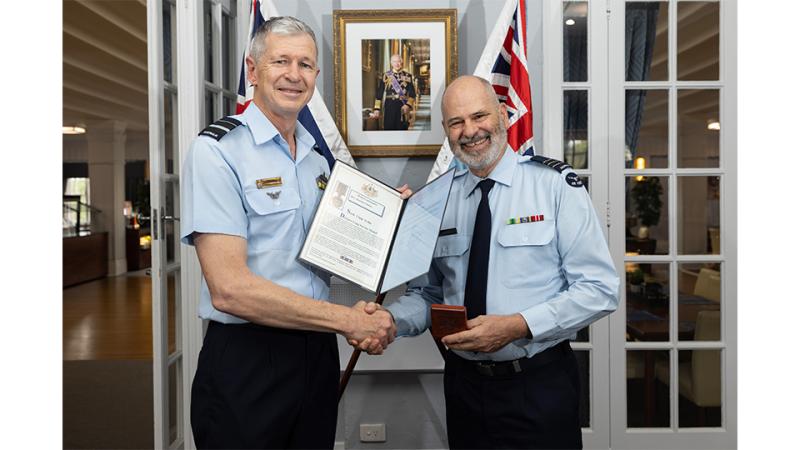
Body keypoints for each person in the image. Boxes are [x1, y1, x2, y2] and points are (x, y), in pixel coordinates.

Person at [181, 17, 404, 449]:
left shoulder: (318, 161)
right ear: (252, 70)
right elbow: (230, 290)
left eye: (305, 64)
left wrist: (388, 214)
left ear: (316, 77)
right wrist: (349, 321)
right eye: (280, 61)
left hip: (316, 353)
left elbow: (333, 250)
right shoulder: (217, 151)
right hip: (248, 357)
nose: (294, 74)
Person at [365, 75, 619, 449]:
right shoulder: (436, 199)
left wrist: (517, 326)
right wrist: (389, 321)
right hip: (465, 386)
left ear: (502, 113)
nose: (470, 131)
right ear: (446, 130)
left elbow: (600, 290)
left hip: (538, 383)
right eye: (456, 122)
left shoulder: (553, 186)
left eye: (479, 116)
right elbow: (428, 294)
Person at [371, 54, 416, 130]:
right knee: (389, 128)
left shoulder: (408, 76)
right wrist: (377, 109)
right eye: (394, 62)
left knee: (401, 130)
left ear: (401, 62)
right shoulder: (386, 75)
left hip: (402, 106)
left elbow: (412, 94)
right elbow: (379, 93)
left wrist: (408, 105)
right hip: (389, 106)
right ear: (391, 63)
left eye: (399, 61)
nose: (397, 64)